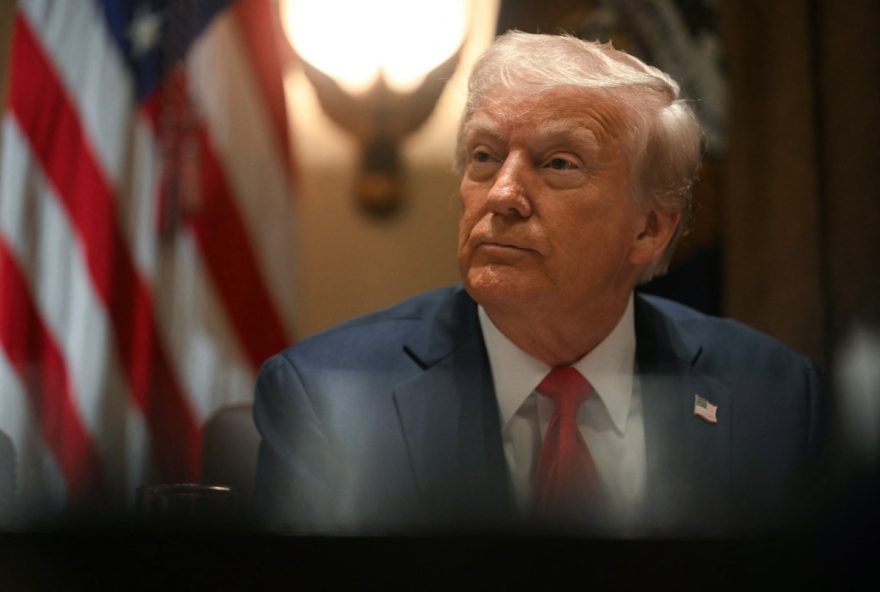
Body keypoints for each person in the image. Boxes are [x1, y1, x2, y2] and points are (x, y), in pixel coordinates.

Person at [253, 32, 823, 536]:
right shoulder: (330, 397)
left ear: (649, 229)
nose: (501, 195)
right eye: (484, 156)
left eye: (557, 164)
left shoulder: (771, 396)